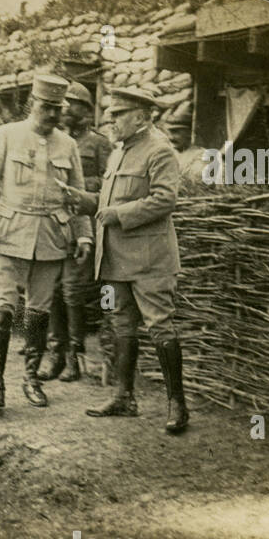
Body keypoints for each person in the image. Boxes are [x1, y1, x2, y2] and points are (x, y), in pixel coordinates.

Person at [62, 87, 188, 434]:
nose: (111, 121)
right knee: (120, 326)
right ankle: (123, 397)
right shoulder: (119, 152)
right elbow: (105, 203)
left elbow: (165, 201)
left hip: (149, 259)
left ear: (140, 116)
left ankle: (177, 404)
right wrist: (80, 199)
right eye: (111, 115)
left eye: (117, 115)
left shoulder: (160, 150)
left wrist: (118, 214)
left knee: (160, 325)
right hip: (115, 259)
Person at [0, 73, 91, 411]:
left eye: (57, 109)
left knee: (38, 312)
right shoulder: (6, 135)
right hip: (9, 234)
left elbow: (77, 197)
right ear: (32, 104)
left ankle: (31, 378)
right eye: (46, 107)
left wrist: (84, 234)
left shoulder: (68, 145)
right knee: (5, 308)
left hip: (51, 238)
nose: (52, 114)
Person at [40, 80, 113, 382]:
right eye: (64, 104)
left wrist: (83, 190)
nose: (67, 110)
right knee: (54, 291)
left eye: (74, 104)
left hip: (84, 226)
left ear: (86, 109)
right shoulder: (55, 142)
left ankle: (75, 358)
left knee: (72, 292)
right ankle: (55, 355)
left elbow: (109, 188)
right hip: (56, 226)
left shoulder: (99, 143)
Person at [164, 111, 206, 189]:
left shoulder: (202, 157)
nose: (171, 137)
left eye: (176, 132)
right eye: (169, 132)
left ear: (190, 132)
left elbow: (196, 188)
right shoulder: (173, 154)